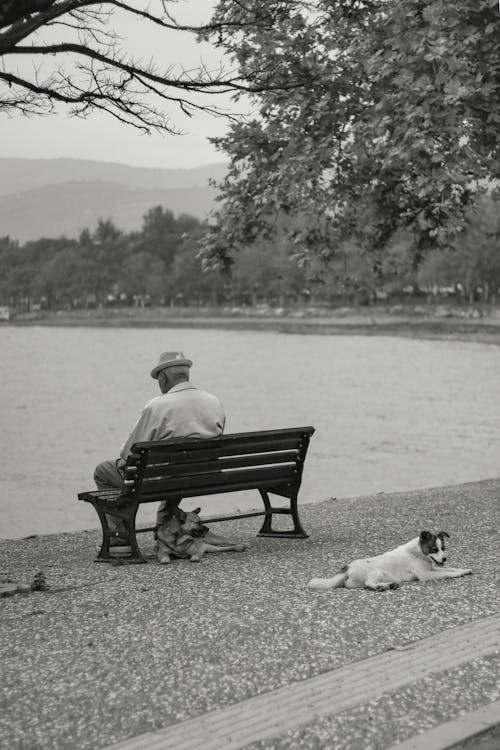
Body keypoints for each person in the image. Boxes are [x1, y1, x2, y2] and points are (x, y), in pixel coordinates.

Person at [94, 351, 226, 554]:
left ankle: (122, 540)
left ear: (163, 378)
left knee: (103, 471)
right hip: (201, 477)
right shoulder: (213, 401)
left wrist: (124, 463)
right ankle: (164, 535)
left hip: (161, 479)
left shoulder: (157, 406)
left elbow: (129, 451)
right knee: (173, 472)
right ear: (185, 375)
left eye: (159, 379)